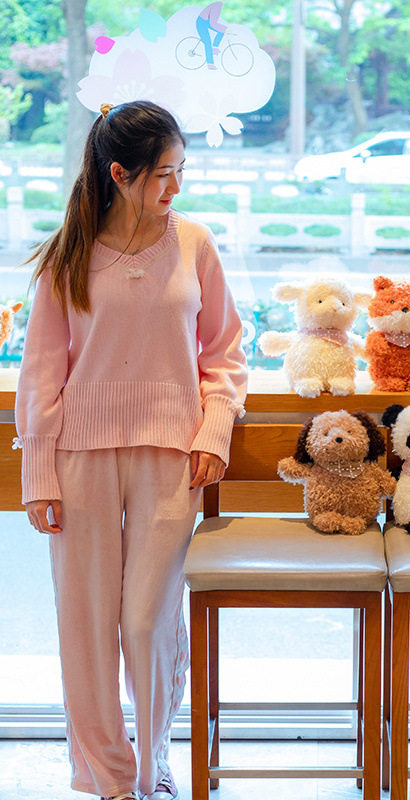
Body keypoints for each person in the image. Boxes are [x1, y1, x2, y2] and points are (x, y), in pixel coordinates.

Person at [14, 100, 248, 800]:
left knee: (148, 621)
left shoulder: (195, 242)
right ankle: (108, 778)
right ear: (120, 173)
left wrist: (214, 430)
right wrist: (39, 473)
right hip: (79, 456)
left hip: (172, 453)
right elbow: (41, 370)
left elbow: (226, 353)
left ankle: (152, 768)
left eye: (181, 170)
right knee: (86, 627)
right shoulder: (70, 252)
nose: (176, 186)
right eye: (163, 173)